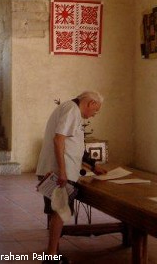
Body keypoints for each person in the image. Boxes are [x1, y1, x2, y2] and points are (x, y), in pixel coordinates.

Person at [36, 91, 105, 264]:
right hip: (58, 173)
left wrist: (93, 166)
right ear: (90, 103)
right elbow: (58, 140)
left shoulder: (71, 110)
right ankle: (51, 257)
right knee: (59, 212)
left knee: (57, 211)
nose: (94, 115)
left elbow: (74, 145)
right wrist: (63, 171)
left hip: (58, 171)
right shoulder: (71, 110)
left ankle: (52, 253)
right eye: (95, 110)